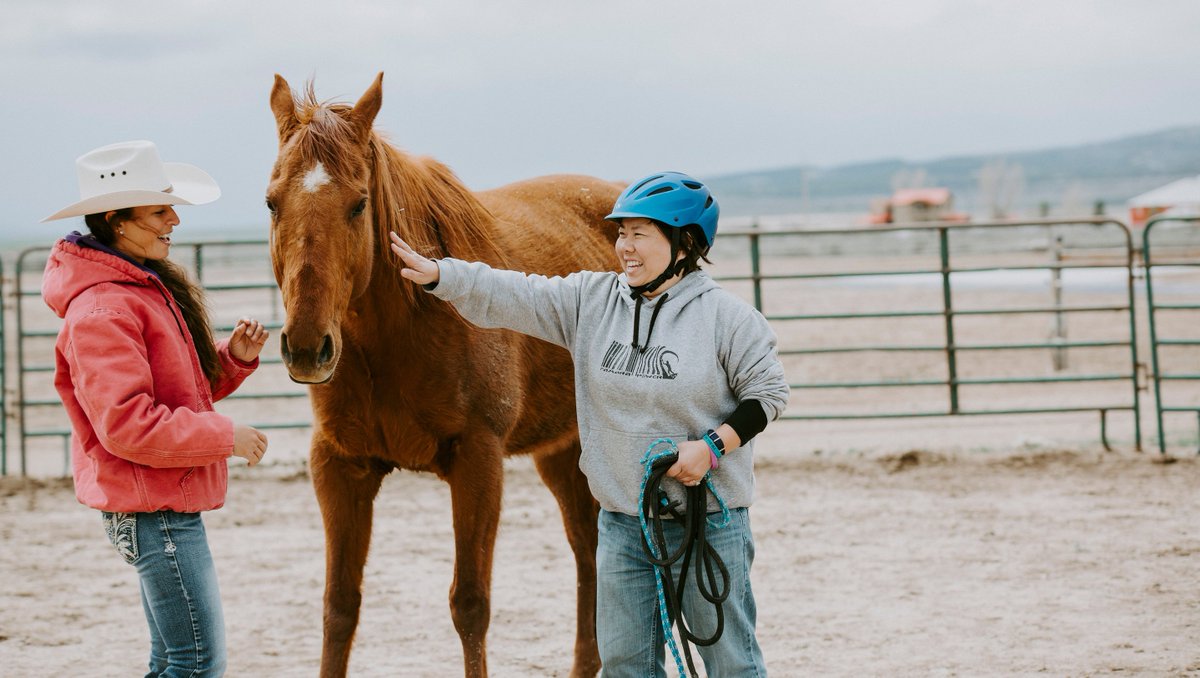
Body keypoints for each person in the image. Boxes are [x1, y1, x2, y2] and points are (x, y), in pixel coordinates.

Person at [389, 171, 789, 677]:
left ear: (685, 243)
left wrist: (713, 447)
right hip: (623, 521)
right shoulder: (592, 302)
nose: (623, 247)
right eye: (621, 233)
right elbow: (516, 293)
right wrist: (441, 276)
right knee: (625, 664)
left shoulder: (728, 319)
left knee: (729, 660)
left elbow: (769, 393)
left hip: (707, 521)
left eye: (639, 234)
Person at [40, 140, 270, 677]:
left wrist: (231, 361)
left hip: (158, 503)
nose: (174, 219)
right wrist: (225, 436)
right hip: (156, 511)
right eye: (160, 209)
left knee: (174, 660)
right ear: (118, 221)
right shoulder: (104, 306)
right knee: (195, 664)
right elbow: (126, 425)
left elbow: (172, 393)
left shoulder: (134, 289)